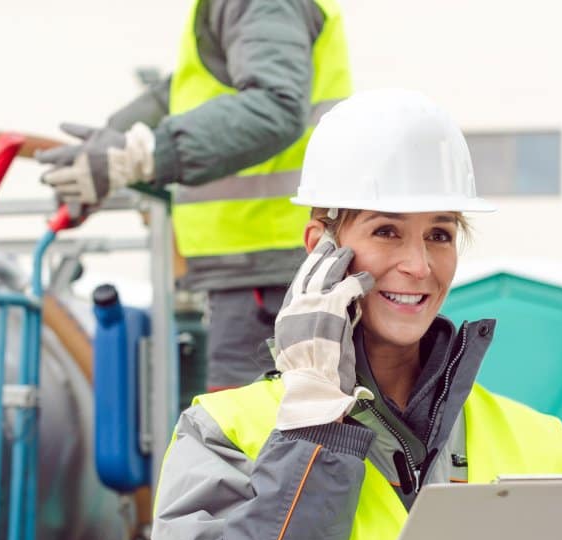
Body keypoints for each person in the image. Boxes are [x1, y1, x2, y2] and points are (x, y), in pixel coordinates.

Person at [149, 89, 562, 540]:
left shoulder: (538, 443)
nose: (419, 265)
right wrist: (313, 430)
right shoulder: (222, 435)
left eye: (440, 234)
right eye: (386, 231)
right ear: (320, 247)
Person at [37, 0, 352, 391]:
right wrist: (108, 149)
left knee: (247, 436)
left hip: (270, 265)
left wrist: (144, 155)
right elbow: (183, 92)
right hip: (264, 262)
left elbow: (275, 106)